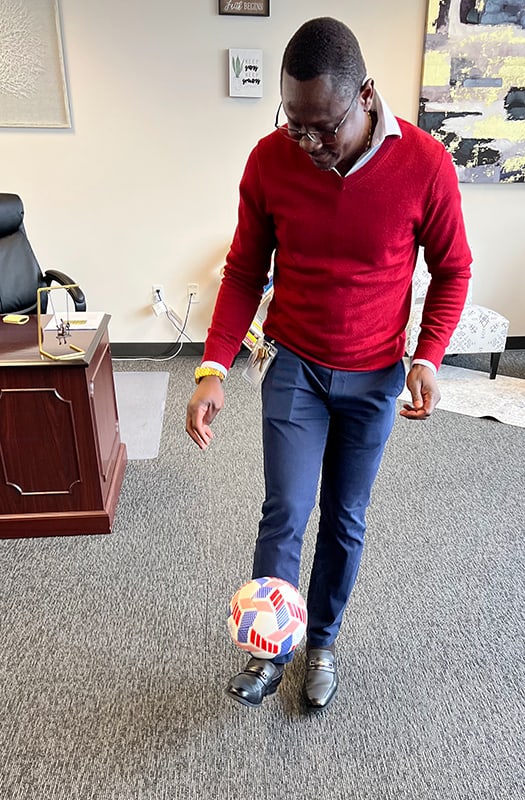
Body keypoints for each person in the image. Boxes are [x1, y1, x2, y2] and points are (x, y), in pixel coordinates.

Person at [186, 17, 472, 711]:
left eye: (324, 126)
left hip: (375, 374)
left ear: (366, 96)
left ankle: (323, 641)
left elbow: (454, 269)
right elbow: (244, 269)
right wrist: (213, 369)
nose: (309, 143)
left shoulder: (426, 165)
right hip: (295, 365)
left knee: (346, 515)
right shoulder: (268, 161)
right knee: (285, 508)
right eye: (295, 124)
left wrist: (428, 357)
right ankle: (267, 649)